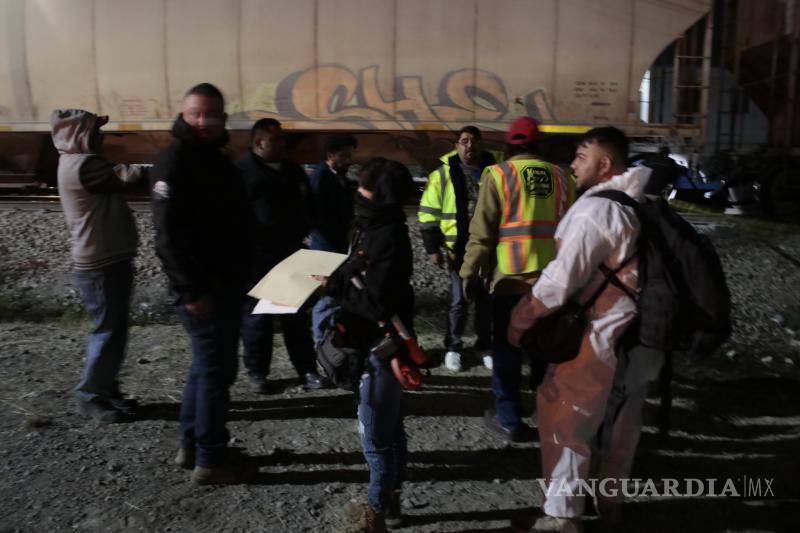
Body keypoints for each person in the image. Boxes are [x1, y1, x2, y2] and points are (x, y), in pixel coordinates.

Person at [507, 127, 660, 532]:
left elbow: (560, 281)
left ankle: (561, 518)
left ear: (604, 163)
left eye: (580, 156)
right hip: (640, 335)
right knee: (622, 423)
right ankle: (611, 508)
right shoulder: (638, 201)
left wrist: (520, 321)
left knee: (567, 418)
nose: (573, 165)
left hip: (598, 335)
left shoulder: (597, 211)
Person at [152, 83, 255, 484]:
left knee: (203, 367)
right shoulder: (176, 162)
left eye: (211, 115)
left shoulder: (212, 159)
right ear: (183, 114)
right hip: (204, 290)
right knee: (217, 371)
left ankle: (191, 445)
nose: (203, 122)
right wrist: (191, 290)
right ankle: (211, 458)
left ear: (223, 118)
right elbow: (167, 236)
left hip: (222, 284)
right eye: (196, 113)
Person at [460, 116, 574, 442]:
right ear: (538, 144)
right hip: (552, 283)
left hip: (510, 280)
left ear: (510, 143)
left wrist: (469, 272)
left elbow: (481, 233)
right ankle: (547, 413)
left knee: (507, 350)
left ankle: (509, 419)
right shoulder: (564, 178)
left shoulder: (498, 174)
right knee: (546, 350)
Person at [316, 158, 415, 533]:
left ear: (382, 196)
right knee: (390, 425)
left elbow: (376, 304)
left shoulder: (387, 237)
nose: (358, 192)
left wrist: (335, 287)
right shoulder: (374, 228)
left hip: (381, 347)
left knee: (376, 433)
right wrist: (340, 276)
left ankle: (374, 512)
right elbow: (359, 272)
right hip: (374, 342)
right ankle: (392, 499)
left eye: (366, 188)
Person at [50, 108, 146, 423]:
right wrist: (168, 166)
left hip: (104, 260)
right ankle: (91, 396)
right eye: (95, 131)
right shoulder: (85, 166)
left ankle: (106, 391)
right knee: (107, 330)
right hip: (101, 263)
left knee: (112, 330)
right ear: (80, 134)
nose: (101, 137)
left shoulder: (73, 162)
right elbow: (131, 177)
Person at [236, 118, 327, 394]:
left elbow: (309, 205)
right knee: (258, 320)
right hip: (256, 258)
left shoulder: (291, 170)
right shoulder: (242, 173)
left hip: (290, 253)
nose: (282, 144)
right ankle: (257, 373)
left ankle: (307, 369)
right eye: (276, 139)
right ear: (259, 142)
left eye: (282, 139)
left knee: (295, 317)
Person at [418, 126, 501, 372]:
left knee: (487, 301)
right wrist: (433, 247)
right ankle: (453, 347)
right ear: (456, 145)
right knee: (458, 301)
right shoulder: (443, 173)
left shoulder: (495, 170)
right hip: (459, 249)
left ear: (481, 144)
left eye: (474, 141)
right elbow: (428, 212)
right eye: (464, 141)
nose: (469, 146)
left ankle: (484, 346)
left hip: (489, 247)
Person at [308, 133, 358, 345]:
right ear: (330, 155)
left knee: (336, 295)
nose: (349, 159)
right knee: (328, 296)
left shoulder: (338, 177)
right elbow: (315, 215)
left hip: (338, 245)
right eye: (344, 154)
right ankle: (321, 342)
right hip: (326, 248)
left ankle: (333, 339)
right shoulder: (320, 178)